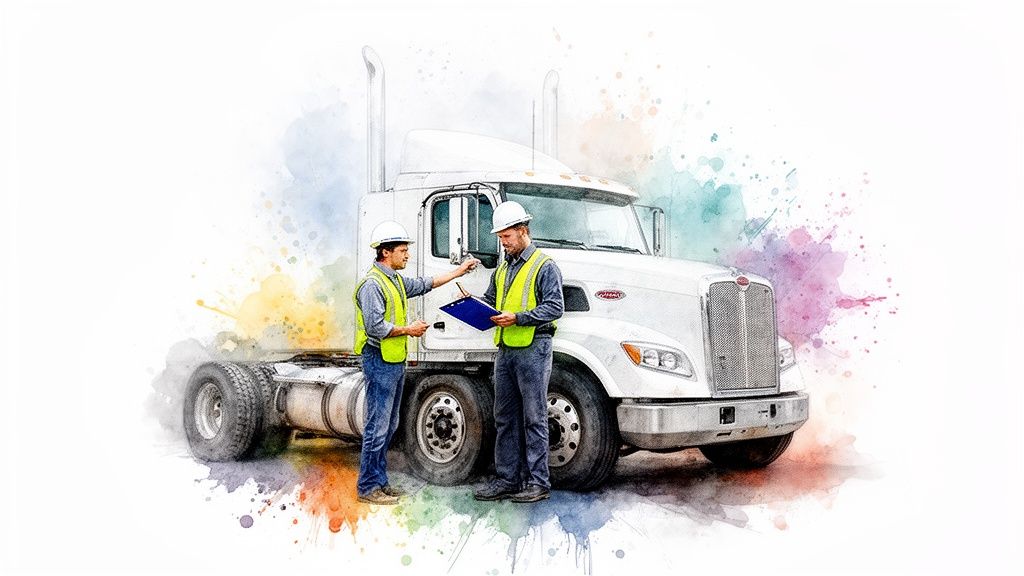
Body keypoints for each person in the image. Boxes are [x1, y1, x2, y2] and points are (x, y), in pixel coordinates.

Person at [354, 220, 478, 505]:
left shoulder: (394, 280)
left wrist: (459, 271)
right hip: (379, 360)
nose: (407, 255)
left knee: (390, 423)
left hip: (394, 360)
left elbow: (425, 284)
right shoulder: (373, 285)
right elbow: (375, 327)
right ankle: (368, 487)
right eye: (402, 250)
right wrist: (409, 330)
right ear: (386, 252)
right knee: (377, 426)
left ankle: (380, 482)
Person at [473, 201, 564, 503]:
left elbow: (555, 307)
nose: (502, 243)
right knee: (505, 417)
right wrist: (472, 306)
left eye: (506, 237)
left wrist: (518, 318)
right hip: (506, 350)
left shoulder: (544, 265)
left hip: (533, 348)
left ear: (523, 231)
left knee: (534, 417)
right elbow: (491, 301)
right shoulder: (502, 269)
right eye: (500, 238)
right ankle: (508, 479)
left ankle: (538, 482)